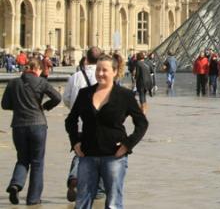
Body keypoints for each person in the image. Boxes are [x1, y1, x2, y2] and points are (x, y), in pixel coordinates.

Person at [65, 54, 149, 209]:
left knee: (113, 203)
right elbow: (71, 120)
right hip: (88, 154)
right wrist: (75, 142)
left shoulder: (125, 95)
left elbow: (142, 123)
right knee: (82, 202)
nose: (100, 73)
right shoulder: (85, 94)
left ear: (115, 72)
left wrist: (127, 144)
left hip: (114, 156)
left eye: (104, 70)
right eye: (98, 69)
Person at [2, 58, 61, 205]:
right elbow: (57, 97)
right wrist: (45, 106)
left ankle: (16, 184)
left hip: (18, 125)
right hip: (38, 124)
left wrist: (18, 108)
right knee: (37, 162)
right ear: (38, 69)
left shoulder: (13, 83)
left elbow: (4, 104)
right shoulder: (41, 82)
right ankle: (33, 199)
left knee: (22, 158)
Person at [63, 46, 102, 202]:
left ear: (86, 59)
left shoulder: (75, 76)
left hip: (77, 121)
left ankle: (74, 176)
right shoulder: (103, 77)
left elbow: (65, 98)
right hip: (97, 123)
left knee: (80, 151)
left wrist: (75, 109)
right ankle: (98, 190)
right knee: (99, 154)